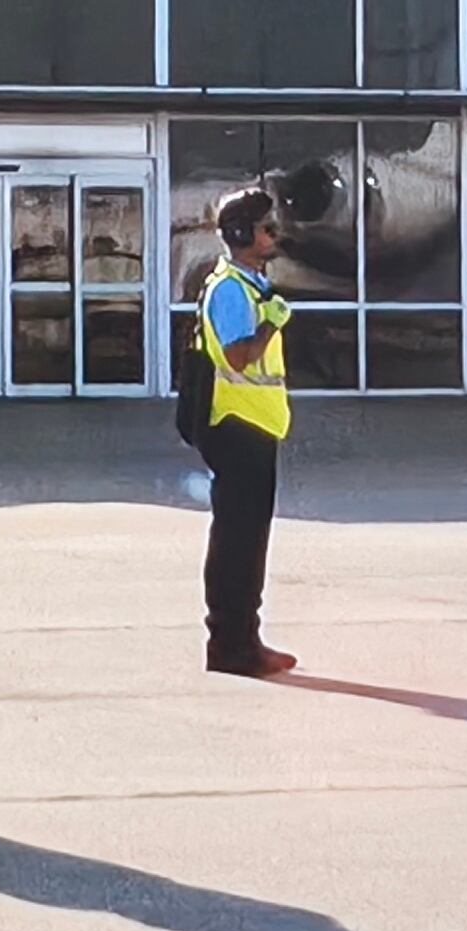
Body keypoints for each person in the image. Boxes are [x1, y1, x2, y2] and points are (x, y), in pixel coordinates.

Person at [196, 184, 300, 677]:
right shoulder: (232, 291)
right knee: (238, 542)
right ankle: (231, 646)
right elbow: (239, 356)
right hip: (239, 426)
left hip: (255, 427)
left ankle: (244, 639)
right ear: (242, 234)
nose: (274, 234)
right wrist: (271, 324)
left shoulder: (248, 286)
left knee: (248, 539)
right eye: (265, 228)